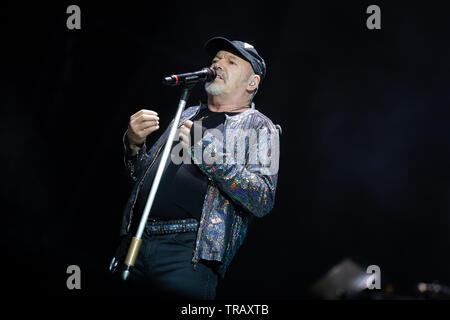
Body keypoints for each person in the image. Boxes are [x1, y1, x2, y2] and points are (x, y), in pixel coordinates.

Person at [110, 36, 281, 299]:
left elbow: (262, 198)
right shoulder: (188, 113)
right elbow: (141, 179)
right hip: (137, 238)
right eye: (216, 60)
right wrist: (133, 146)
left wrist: (210, 154)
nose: (218, 64)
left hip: (187, 254)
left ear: (252, 82)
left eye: (231, 61)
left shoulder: (260, 126)